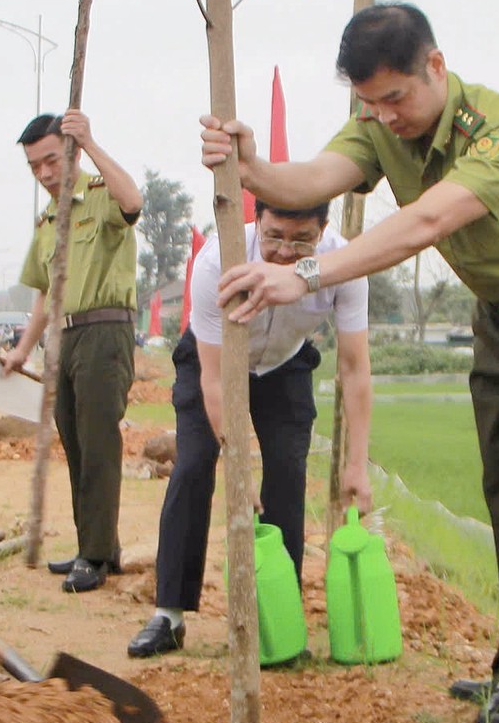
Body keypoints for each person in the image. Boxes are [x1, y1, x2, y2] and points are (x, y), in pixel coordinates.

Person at [203, 3, 499, 723]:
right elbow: (311, 181)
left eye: (395, 97)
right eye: (368, 102)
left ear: (436, 66)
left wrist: (305, 273)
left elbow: (426, 222)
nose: (384, 116)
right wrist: (253, 163)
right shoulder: (375, 127)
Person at [133, 203, 373, 657]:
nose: (284, 251)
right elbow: (211, 377)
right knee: (194, 463)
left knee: (287, 468)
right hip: (216, 361)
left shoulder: (345, 267)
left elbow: (356, 368)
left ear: (324, 229)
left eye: (302, 239)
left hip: (285, 363)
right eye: (274, 236)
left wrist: (357, 464)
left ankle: (280, 617)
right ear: (256, 222)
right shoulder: (216, 261)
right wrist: (237, 464)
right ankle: (170, 614)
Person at [0, 111, 142, 594]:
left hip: (104, 333)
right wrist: (22, 350)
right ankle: (95, 547)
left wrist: (93, 143)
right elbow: (43, 294)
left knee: (99, 443)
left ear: (73, 154)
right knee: (77, 444)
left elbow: (134, 201)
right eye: (34, 167)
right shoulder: (46, 221)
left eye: (51, 161)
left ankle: (97, 556)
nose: (44, 174)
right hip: (62, 339)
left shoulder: (100, 194)